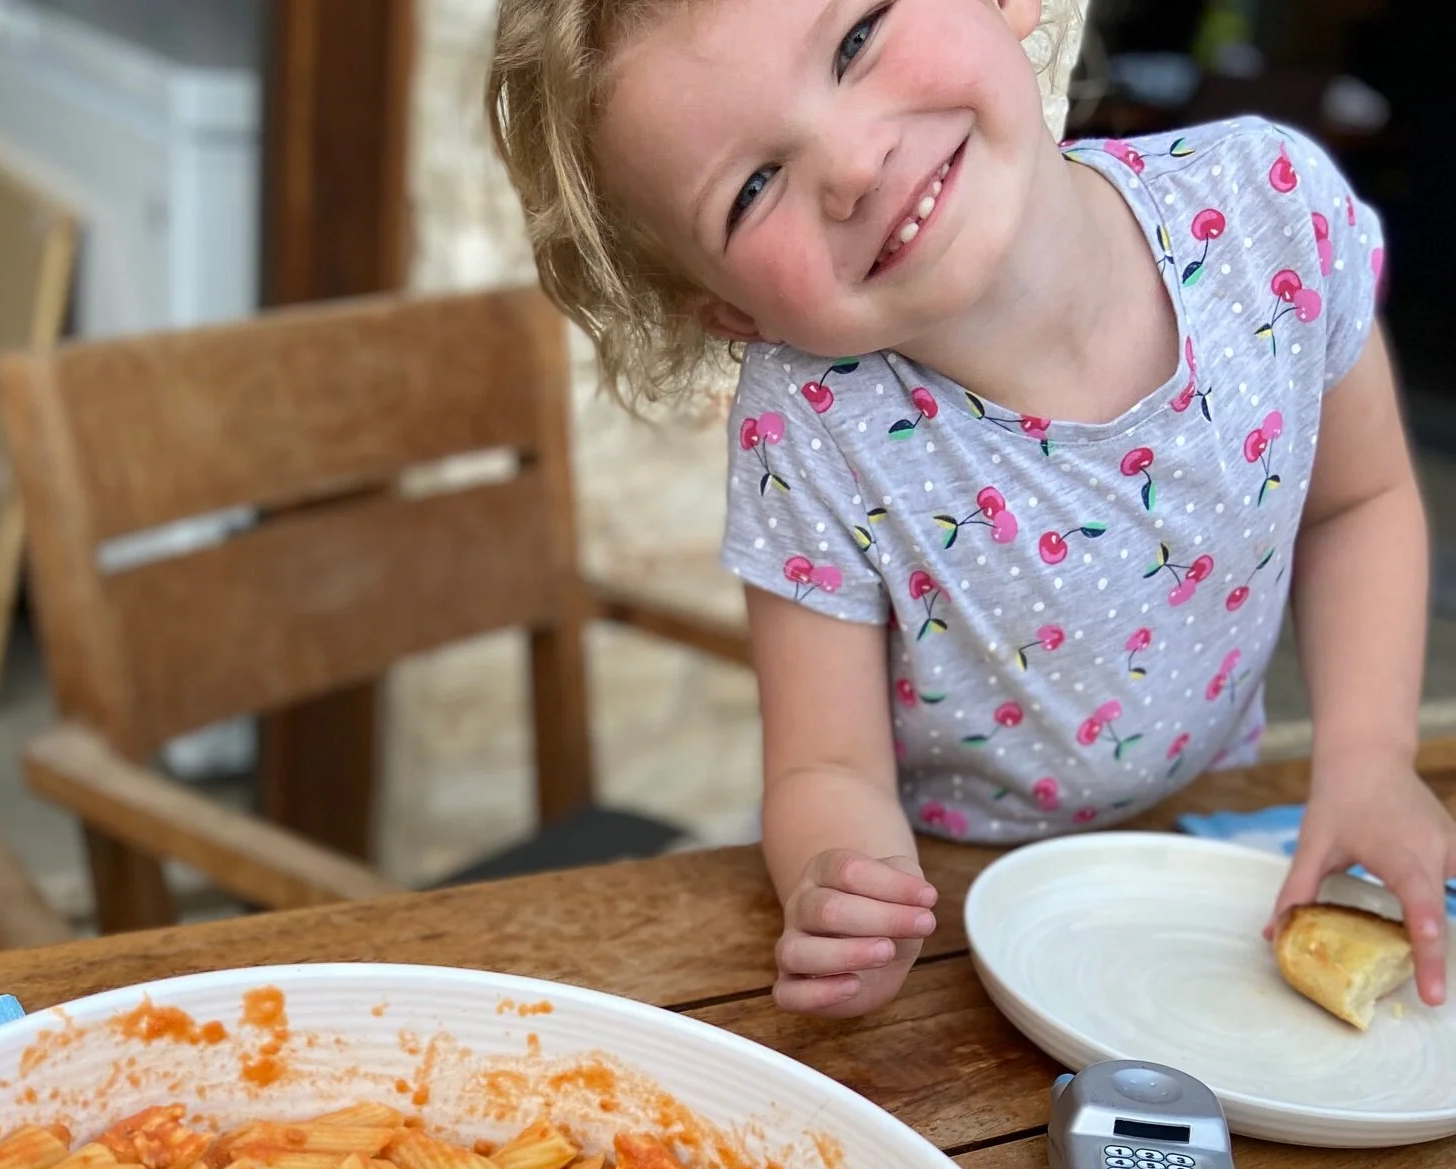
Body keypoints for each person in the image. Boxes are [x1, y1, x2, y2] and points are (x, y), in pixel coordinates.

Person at [488, 0, 1449, 1018]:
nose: (853, 164)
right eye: (753, 188)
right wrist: (846, 884)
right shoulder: (813, 426)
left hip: (1212, 856)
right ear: (733, 309)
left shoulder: (1271, 215)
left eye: (857, 39)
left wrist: (1368, 756)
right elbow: (827, 763)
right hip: (960, 904)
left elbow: (1359, 504)